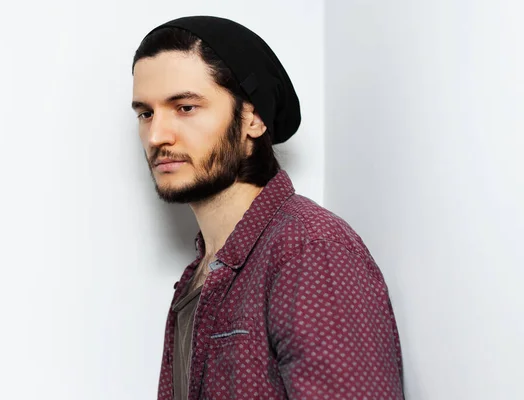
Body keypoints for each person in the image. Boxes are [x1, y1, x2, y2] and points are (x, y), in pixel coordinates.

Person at [131, 16, 404, 400]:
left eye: (186, 107)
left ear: (252, 118)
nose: (157, 135)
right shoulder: (200, 275)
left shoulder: (309, 250)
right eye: (146, 113)